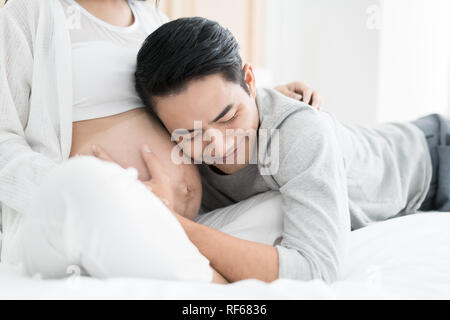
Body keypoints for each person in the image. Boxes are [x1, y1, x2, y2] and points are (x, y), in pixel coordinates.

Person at [0, 0, 320, 282]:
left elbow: (202, 99)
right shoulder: (29, 12)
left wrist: (263, 101)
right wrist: (121, 196)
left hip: (180, 222)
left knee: (279, 207)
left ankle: (177, 254)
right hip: (81, 214)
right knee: (83, 183)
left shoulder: (155, 21)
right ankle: (212, 286)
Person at [133, 17, 450, 283]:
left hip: (433, 158)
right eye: (190, 134)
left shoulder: (299, 132)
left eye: (228, 117)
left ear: (249, 81)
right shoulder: (180, 156)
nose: (219, 145)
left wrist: (174, 226)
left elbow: (316, 269)